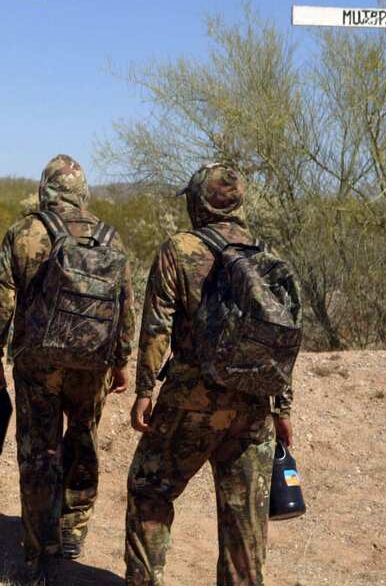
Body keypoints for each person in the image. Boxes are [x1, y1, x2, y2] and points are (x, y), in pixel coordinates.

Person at [123, 163, 294, 586]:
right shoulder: (266, 254)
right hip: (253, 403)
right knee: (245, 520)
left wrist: (144, 390)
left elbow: (157, 328)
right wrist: (282, 407)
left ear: (198, 203)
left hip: (191, 400)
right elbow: (282, 340)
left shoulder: (178, 249)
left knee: (149, 489)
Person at [0, 155, 136, 583]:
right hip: (92, 362)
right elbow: (125, 303)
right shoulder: (110, 236)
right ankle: (73, 529)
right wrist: (121, 361)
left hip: (38, 361)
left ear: (45, 188)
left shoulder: (25, 232)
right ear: (82, 192)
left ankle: (38, 551)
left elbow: (1, 298)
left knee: (39, 451)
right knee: (83, 437)